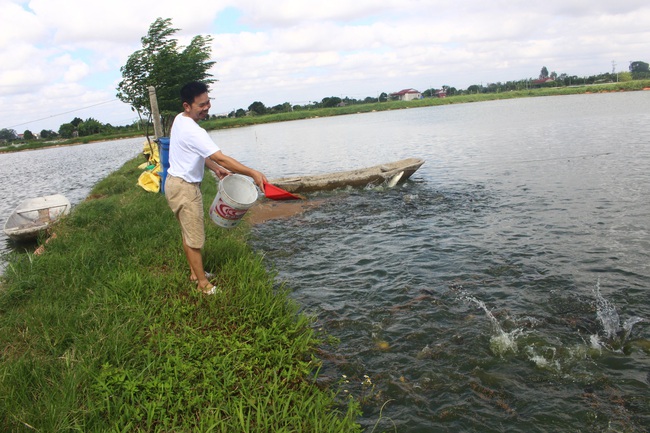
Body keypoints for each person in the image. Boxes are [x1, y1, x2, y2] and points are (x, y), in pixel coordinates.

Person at [165, 81, 268, 294]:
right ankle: (203, 285)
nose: (206, 108)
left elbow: (194, 153)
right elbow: (221, 157)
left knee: (187, 232)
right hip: (185, 188)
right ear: (187, 106)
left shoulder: (179, 120)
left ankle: (195, 273)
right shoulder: (195, 131)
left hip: (175, 183)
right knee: (195, 238)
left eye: (208, 102)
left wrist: (213, 168)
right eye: (201, 105)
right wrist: (252, 173)